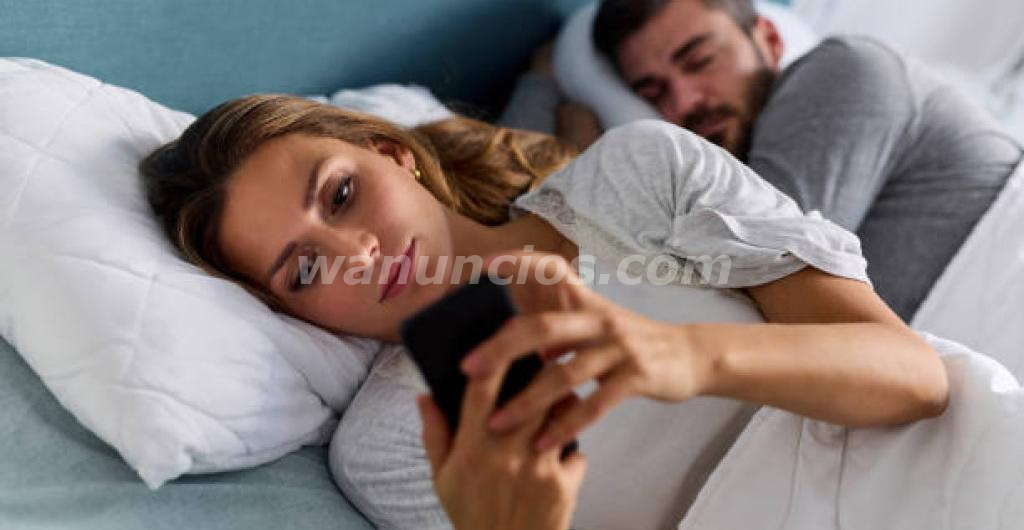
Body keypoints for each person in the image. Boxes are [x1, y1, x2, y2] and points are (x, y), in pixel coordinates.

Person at [140, 95, 948, 529]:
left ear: (392, 153)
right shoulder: (395, 445)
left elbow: (915, 378)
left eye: (342, 195)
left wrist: (685, 355)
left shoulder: (639, 176)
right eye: (307, 269)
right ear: (295, 315)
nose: (359, 254)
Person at [512, 0, 1023, 321]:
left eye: (700, 61)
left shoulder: (843, 71)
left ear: (771, 40)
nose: (685, 102)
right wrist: (542, 88)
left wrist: (577, 155)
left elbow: (723, 303)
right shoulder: (726, 186)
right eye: (653, 92)